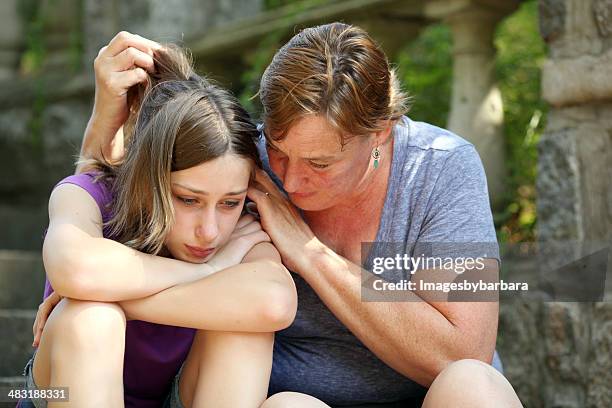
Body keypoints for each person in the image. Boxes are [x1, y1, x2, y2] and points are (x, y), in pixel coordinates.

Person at [36, 23, 525, 407]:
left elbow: (465, 348)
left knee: (473, 385)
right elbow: (121, 185)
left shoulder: (441, 168)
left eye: (320, 164)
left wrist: (308, 252)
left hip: (431, 397)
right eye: (279, 149)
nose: (289, 182)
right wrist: (106, 114)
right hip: (289, 399)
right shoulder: (243, 170)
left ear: (381, 134)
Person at [19, 42, 329, 408]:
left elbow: (273, 303)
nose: (210, 231)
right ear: (148, 180)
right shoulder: (90, 194)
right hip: (61, 389)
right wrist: (214, 270)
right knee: (91, 317)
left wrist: (121, 294)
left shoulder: (243, 228)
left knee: (289, 394)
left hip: (175, 395)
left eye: (229, 202)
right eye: (188, 200)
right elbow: (78, 270)